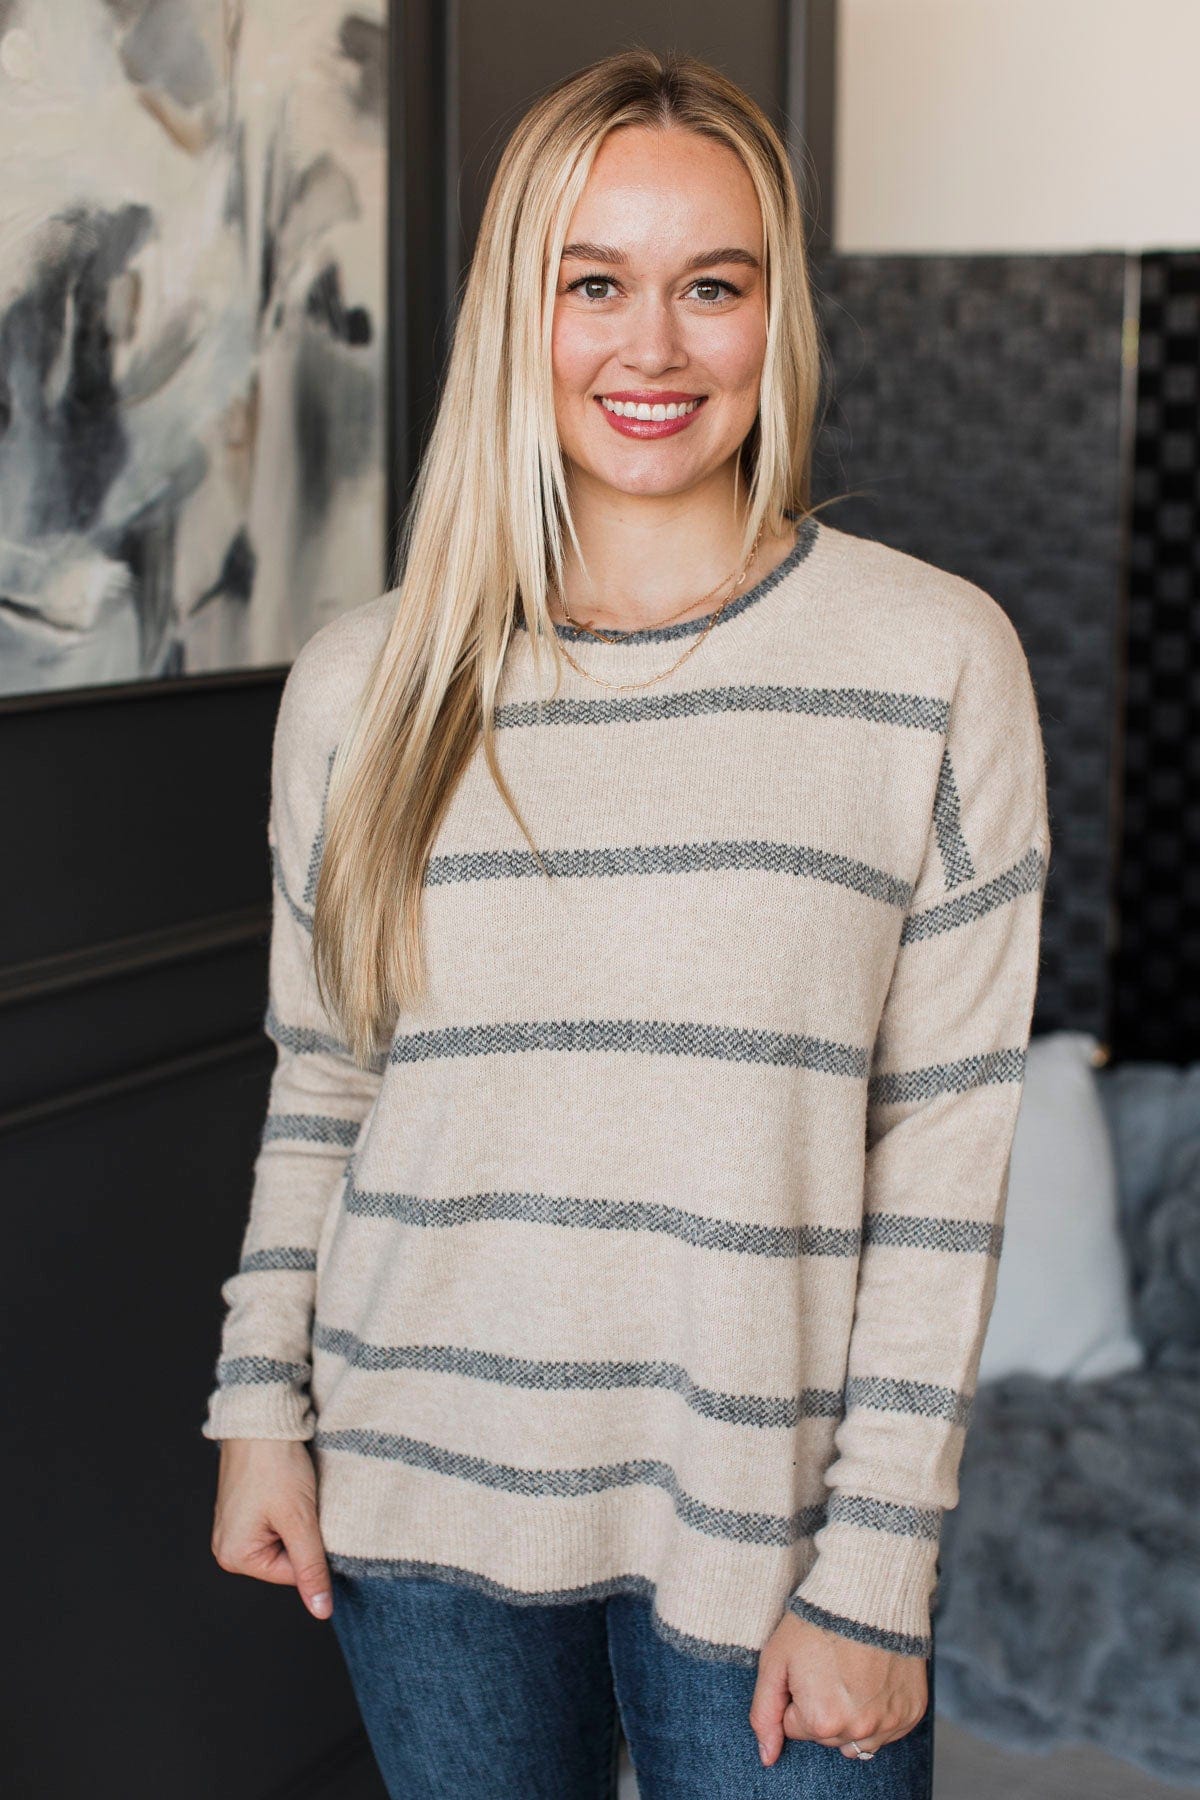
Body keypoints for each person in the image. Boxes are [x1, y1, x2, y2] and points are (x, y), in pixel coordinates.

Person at [203, 46, 1050, 1800]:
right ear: (521, 312)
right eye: (594, 284)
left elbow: (943, 1156)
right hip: (415, 1487)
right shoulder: (366, 685)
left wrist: (880, 1562)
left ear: (774, 317)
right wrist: (257, 1408)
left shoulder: (931, 660)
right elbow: (326, 1086)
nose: (652, 348)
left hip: (771, 1519)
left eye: (710, 287)